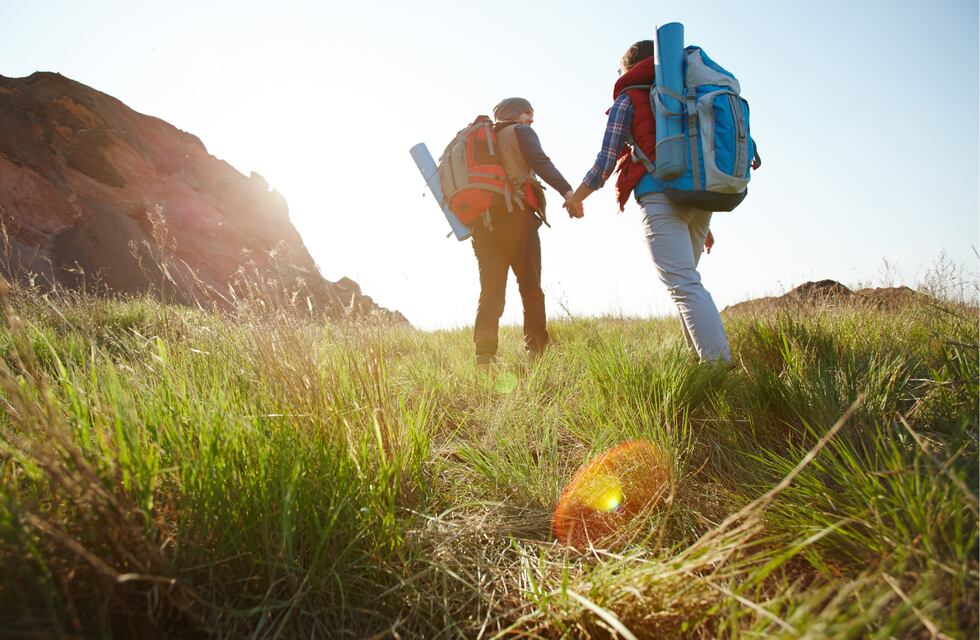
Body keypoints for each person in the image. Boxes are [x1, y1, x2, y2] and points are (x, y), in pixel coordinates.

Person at [564, 41, 733, 363]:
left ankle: (718, 367)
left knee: (684, 285)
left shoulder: (629, 98)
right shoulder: (689, 96)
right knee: (686, 285)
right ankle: (701, 363)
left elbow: (606, 161)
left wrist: (576, 197)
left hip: (661, 197)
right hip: (701, 200)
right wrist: (702, 220)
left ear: (629, 69)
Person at [471, 97, 581, 368]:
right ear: (514, 114)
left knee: (491, 291)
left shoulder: (480, 142)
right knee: (530, 288)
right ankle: (537, 353)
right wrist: (568, 192)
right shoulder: (520, 132)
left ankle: (484, 358)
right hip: (517, 219)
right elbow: (540, 161)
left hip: (483, 225)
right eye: (528, 113)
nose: (531, 119)